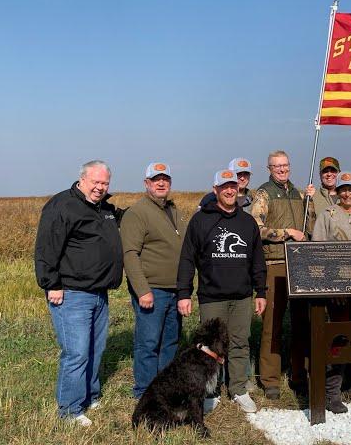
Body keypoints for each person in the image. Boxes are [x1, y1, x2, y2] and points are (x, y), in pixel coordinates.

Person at [34, 160, 123, 427]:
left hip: (99, 293)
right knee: (77, 352)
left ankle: (89, 396)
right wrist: (52, 284)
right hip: (72, 293)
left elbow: (123, 219)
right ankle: (70, 410)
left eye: (105, 183)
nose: (100, 187)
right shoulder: (62, 205)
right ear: (82, 179)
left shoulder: (104, 208)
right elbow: (46, 247)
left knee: (96, 348)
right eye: (95, 182)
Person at [176, 169, 267, 413]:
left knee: (239, 342)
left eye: (233, 186)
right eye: (224, 186)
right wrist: (183, 293)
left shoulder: (247, 222)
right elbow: (187, 259)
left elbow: (257, 260)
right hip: (212, 296)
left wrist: (261, 292)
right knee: (209, 346)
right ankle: (210, 390)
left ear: (238, 189)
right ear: (215, 189)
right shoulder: (201, 220)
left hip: (241, 296)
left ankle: (238, 388)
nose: (229, 190)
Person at [251, 150, 316, 400]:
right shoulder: (264, 193)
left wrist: (310, 204)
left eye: (285, 165)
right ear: (269, 168)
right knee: (272, 325)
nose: (282, 169)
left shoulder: (298, 193)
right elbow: (256, 228)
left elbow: (309, 228)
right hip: (275, 263)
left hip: (299, 264)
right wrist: (286, 232)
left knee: (301, 323)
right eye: (277, 166)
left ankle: (300, 375)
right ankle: (270, 380)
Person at [120, 162, 188, 399]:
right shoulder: (137, 213)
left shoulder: (174, 211)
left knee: (170, 342)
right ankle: (145, 393)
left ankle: (164, 389)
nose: (161, 183)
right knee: (148, 344)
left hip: (175, 290)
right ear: (146, 183)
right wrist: (142, 290)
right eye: (156, 179)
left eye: (165, 179)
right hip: (153, 291)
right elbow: (130, 254)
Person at [312, 171, 351, 412]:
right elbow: (318, 251)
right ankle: (332, 393)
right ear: (336, 192)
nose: (347, 193)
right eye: (343, 189)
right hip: (337, 290)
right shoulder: (327, 215)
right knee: (337, 339)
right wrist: (331, 287)